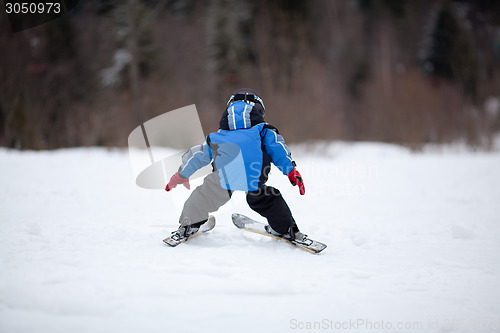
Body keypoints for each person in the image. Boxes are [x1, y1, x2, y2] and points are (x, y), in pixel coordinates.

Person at [165, 88, 307, 244]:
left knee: (203, 197)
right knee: (267, 200)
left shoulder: (218, 135)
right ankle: (286, 229)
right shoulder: (264, 131)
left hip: (223, 178)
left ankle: (188, 224)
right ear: (259, 111)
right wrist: (291, 171)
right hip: (254, 177)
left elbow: (198, 155)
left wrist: (181, 175)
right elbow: (278, 150)